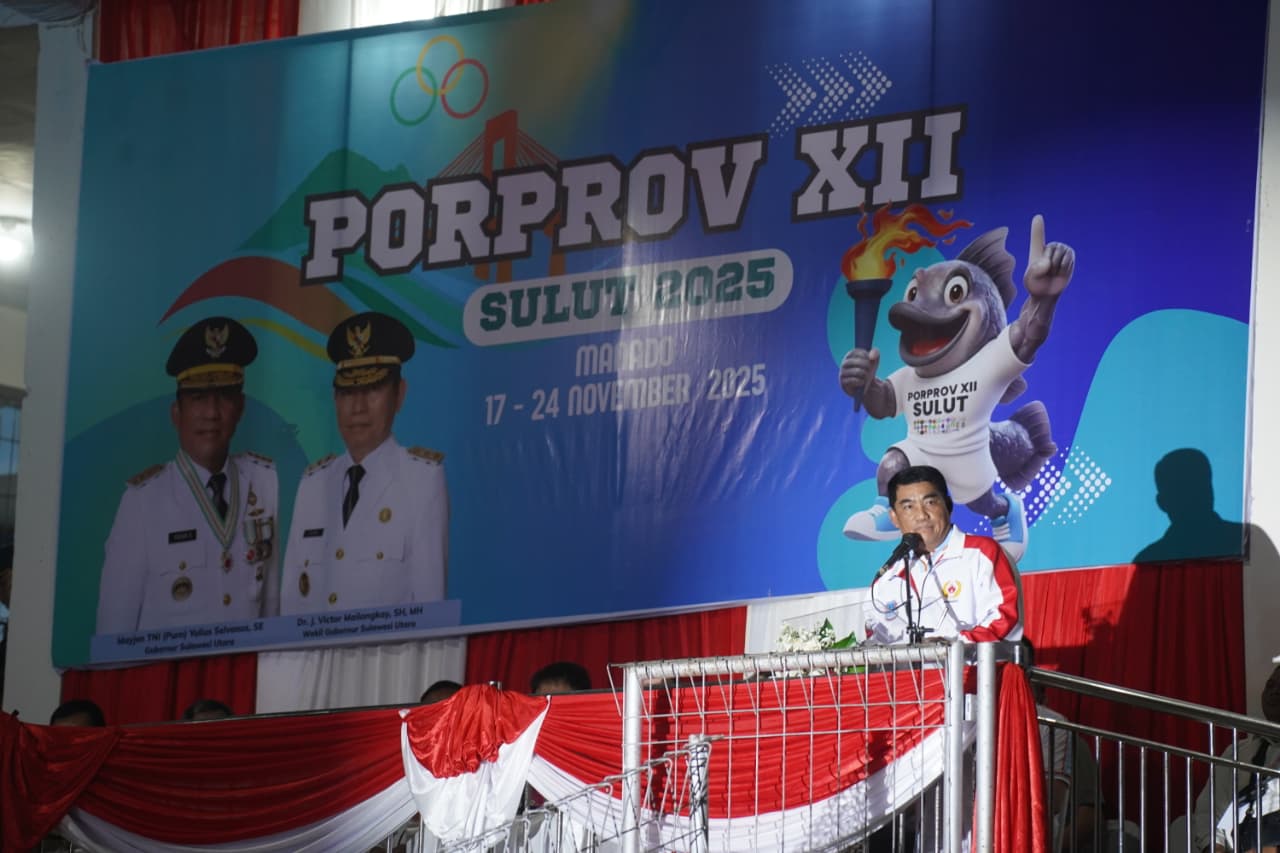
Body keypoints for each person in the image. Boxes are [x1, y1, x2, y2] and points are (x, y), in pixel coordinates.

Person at [96, 317, 278, 634]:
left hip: (248, 665)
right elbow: (113, 634)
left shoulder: (264, 482)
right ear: (176, 414)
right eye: (198, 398)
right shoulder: (142, 502)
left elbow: (273, 614)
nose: (211, 413)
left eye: (223, 397)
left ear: (240, 408)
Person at [280, 312, 448, 614]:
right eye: (347, 392)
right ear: (335, 399)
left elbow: (430, 609)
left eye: (372, 389)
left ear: (399, 395)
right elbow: (291, 605)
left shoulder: (421, 480)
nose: (357, 408)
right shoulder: (313, 483)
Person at [863, 465, 1022, 644]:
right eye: (908, 507)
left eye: (930, 503)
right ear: (894, 517)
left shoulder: (982, 554)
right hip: (914, 664)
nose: (921, 515)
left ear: (948, 505)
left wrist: (952, 648)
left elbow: (1003, 619)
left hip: (972, 662)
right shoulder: (886, 580)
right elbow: (876, 641)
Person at [1180, 664, 1280, 853]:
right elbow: (1209, 812)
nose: (1274, 692)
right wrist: (1216, 847)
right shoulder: (1237, 751)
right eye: (1270, 685)